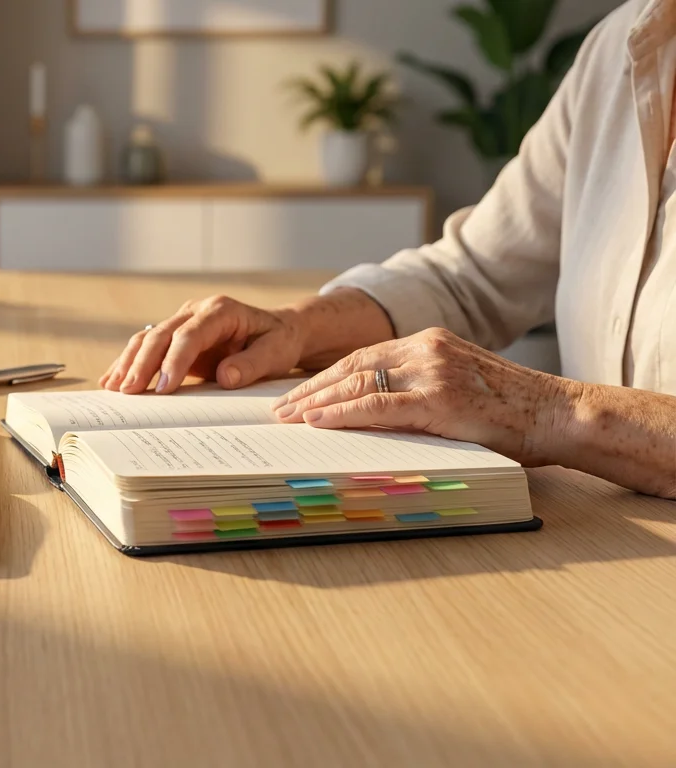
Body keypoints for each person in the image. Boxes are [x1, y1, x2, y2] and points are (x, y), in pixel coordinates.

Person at [100, 0, 676, 500]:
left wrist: (548, 411)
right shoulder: (623, 44)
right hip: (608, 545)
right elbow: (470, 277)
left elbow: (542, 396)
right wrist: (296, 327)